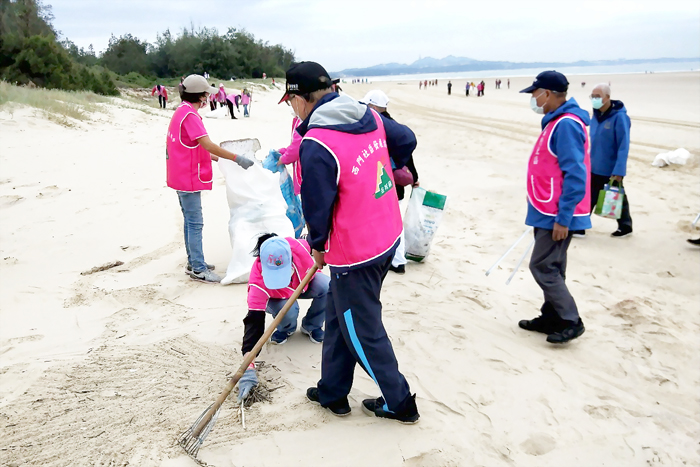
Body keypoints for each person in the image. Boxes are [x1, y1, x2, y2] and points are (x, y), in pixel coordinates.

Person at [279, 61, 420, 423]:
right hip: (388, 232)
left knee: (362, 329)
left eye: (290, 101)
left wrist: (318, 245)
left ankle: (400, 402)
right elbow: (406, 140)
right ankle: (333, 391)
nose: (292, 109)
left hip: (355, 252)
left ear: (303, 97)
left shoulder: (316, 142)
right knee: (341, 318)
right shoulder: (367, 115)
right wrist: (383, 170)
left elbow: (317, 205)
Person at [518, 70, 591, 344]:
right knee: (554, 264)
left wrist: (564, 217)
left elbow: (576, 173)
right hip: (545, 207)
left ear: (547, 94)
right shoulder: (555, 121)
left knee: (543, 266)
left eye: (535, 94)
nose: (533, 99)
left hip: (556, 212)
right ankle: (551, 316)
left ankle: (571, 319)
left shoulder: (567, 124)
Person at [166, 75, 255, 283]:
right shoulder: (190, 116)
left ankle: (194, 261)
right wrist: (235, 157)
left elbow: (196, 146)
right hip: (186, 176)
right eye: (206, 94)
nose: (208, 98)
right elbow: (207, 144)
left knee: (190, 221)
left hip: (178, 174)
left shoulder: (181, 111)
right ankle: (198, 268)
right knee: (195, 222)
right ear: (201, 96)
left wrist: (221, 160)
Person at [361, 89, 420, 275]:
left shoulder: (377, 127)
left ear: (372, 106)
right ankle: (396, 260)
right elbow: (407, 157)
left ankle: (397, 260)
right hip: (398, 186)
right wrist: (415, 178)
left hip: (384, 184)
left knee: (389, 224)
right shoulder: (394, 126)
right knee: (395, 223)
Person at [582, 83, 633, 238]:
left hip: (610, 167)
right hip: (594, 164)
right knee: (589, 195)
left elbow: (623, 146)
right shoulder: (596, 116)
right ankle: (580, 224)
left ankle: (625, 226)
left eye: (598, 96)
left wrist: (619, 170)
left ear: (607, 98)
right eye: (593, 96)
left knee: (617, 196)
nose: (595, 99)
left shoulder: (619, 117)